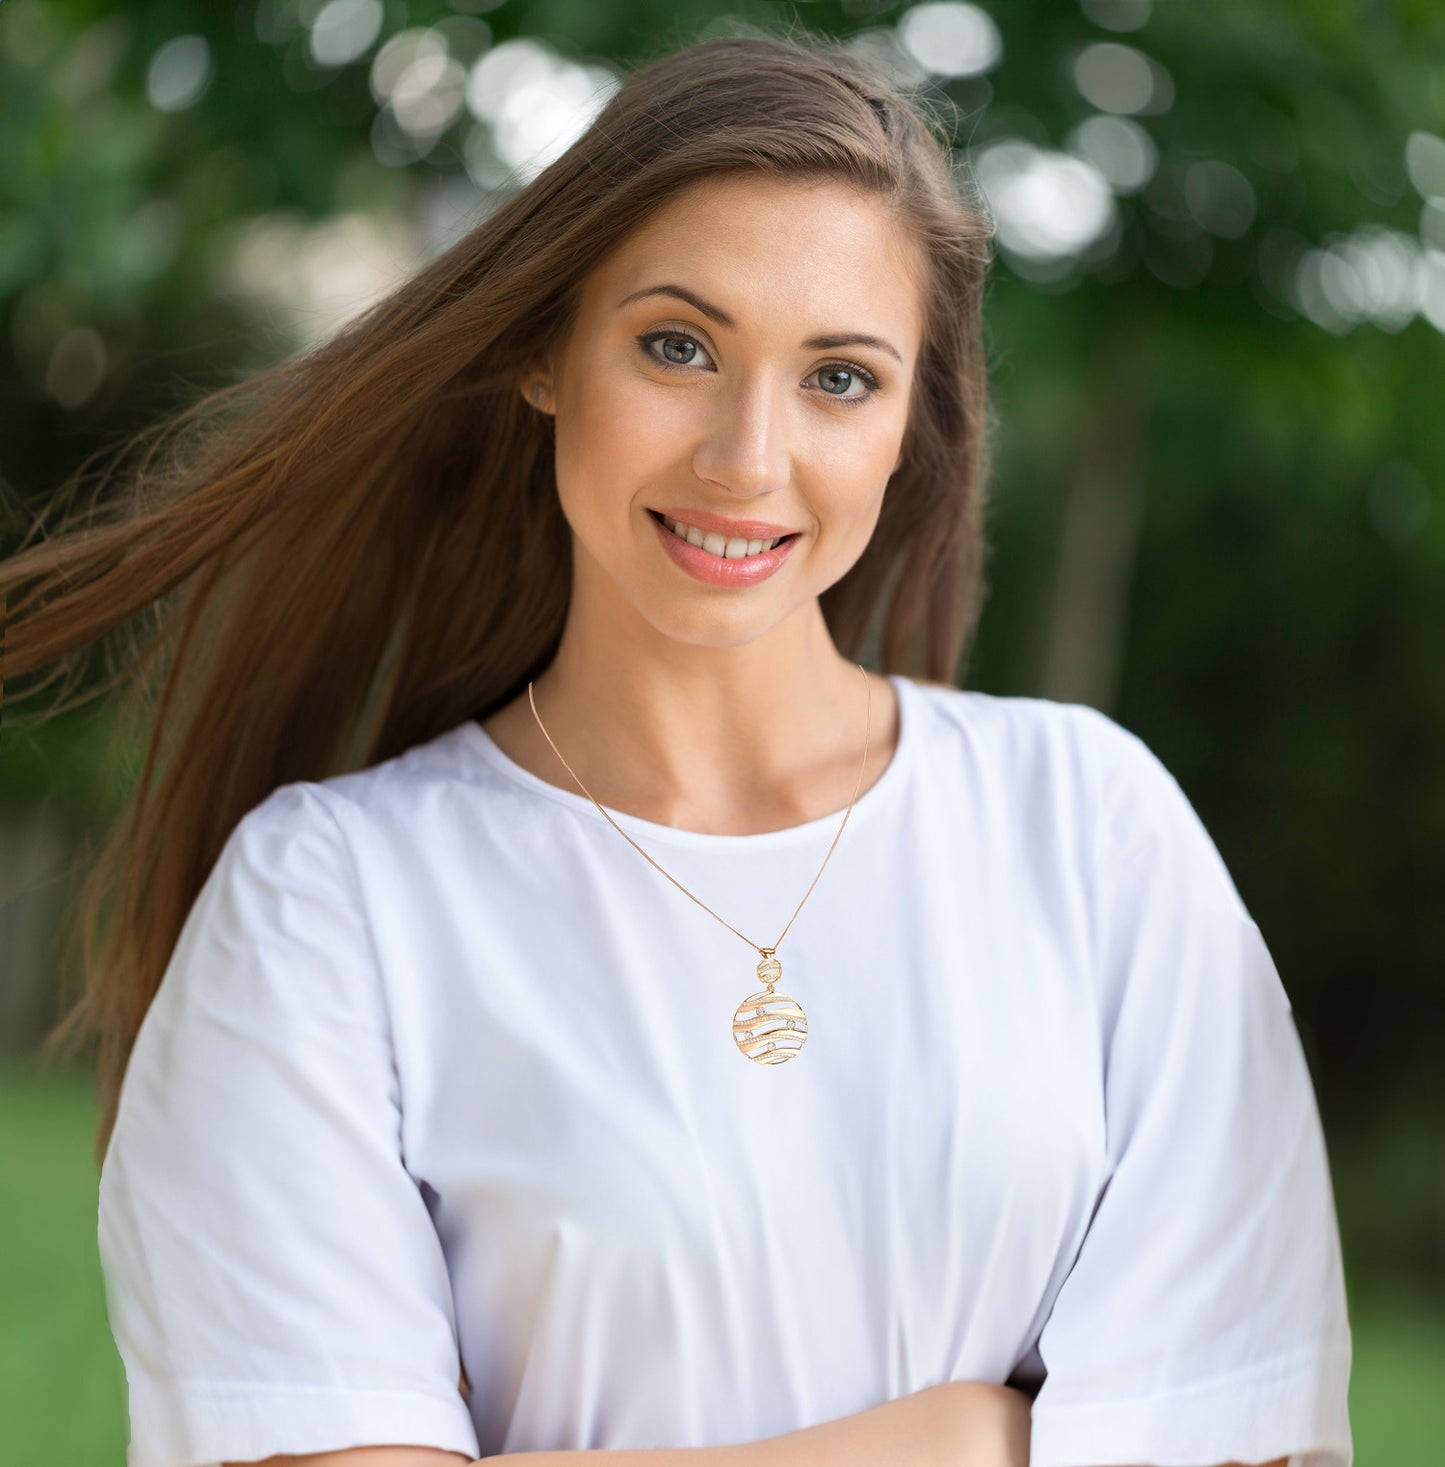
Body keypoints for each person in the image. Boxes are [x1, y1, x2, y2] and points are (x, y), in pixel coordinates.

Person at [4, 28, 1350, 1467]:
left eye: (839, 378)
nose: (744, 458)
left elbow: (1239, 1433)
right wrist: (965, 1444)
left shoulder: (1090, 827)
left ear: (911, 427)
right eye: (676, 346)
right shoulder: (326, 902)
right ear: (543, 351)